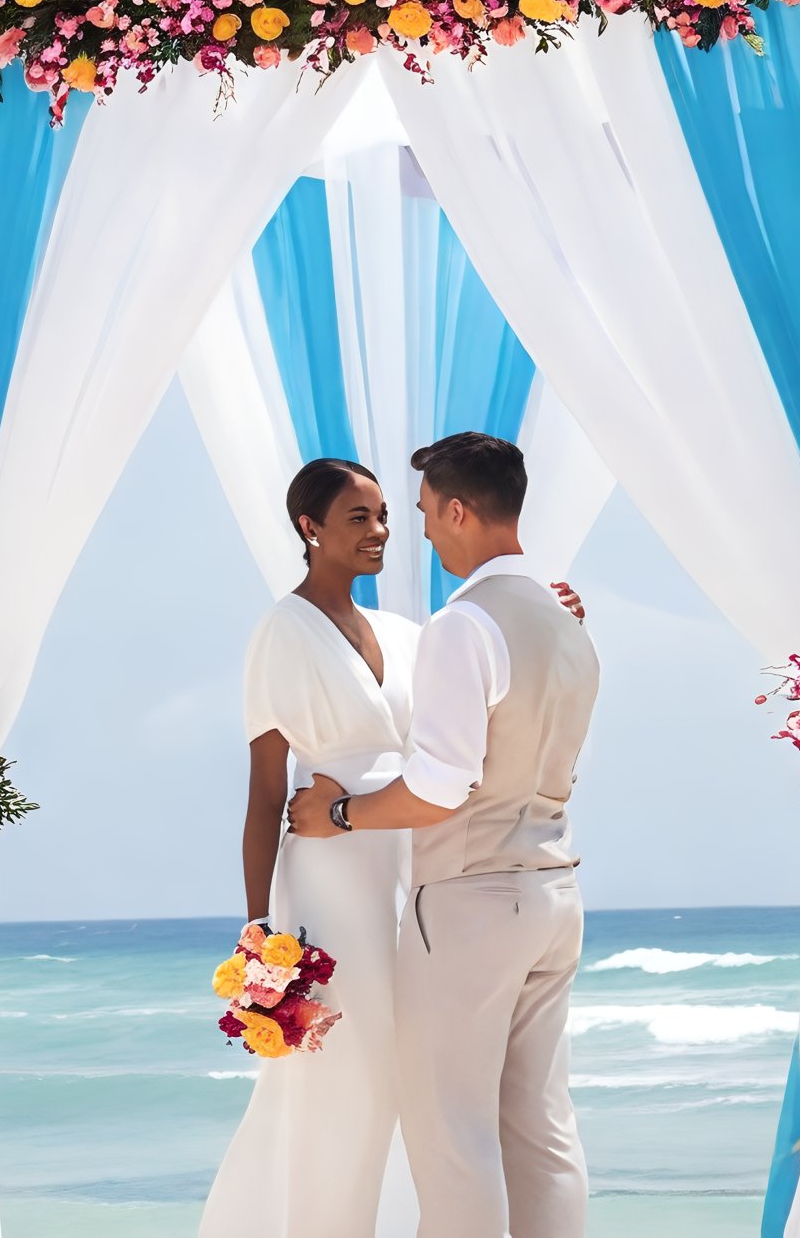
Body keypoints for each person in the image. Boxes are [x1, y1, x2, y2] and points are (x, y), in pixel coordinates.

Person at [202, 456, 581, 1238]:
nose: (380, 533)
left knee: (421, 1081)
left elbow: (472, 723)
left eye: (383, 516)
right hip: (329, 881)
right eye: (358, 518)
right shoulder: (280, 632)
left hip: (417, 866)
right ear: (310, 529)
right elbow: (266, 794)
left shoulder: (414, 634)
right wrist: (256, 932)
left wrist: (550, 616)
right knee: (345, 1080)